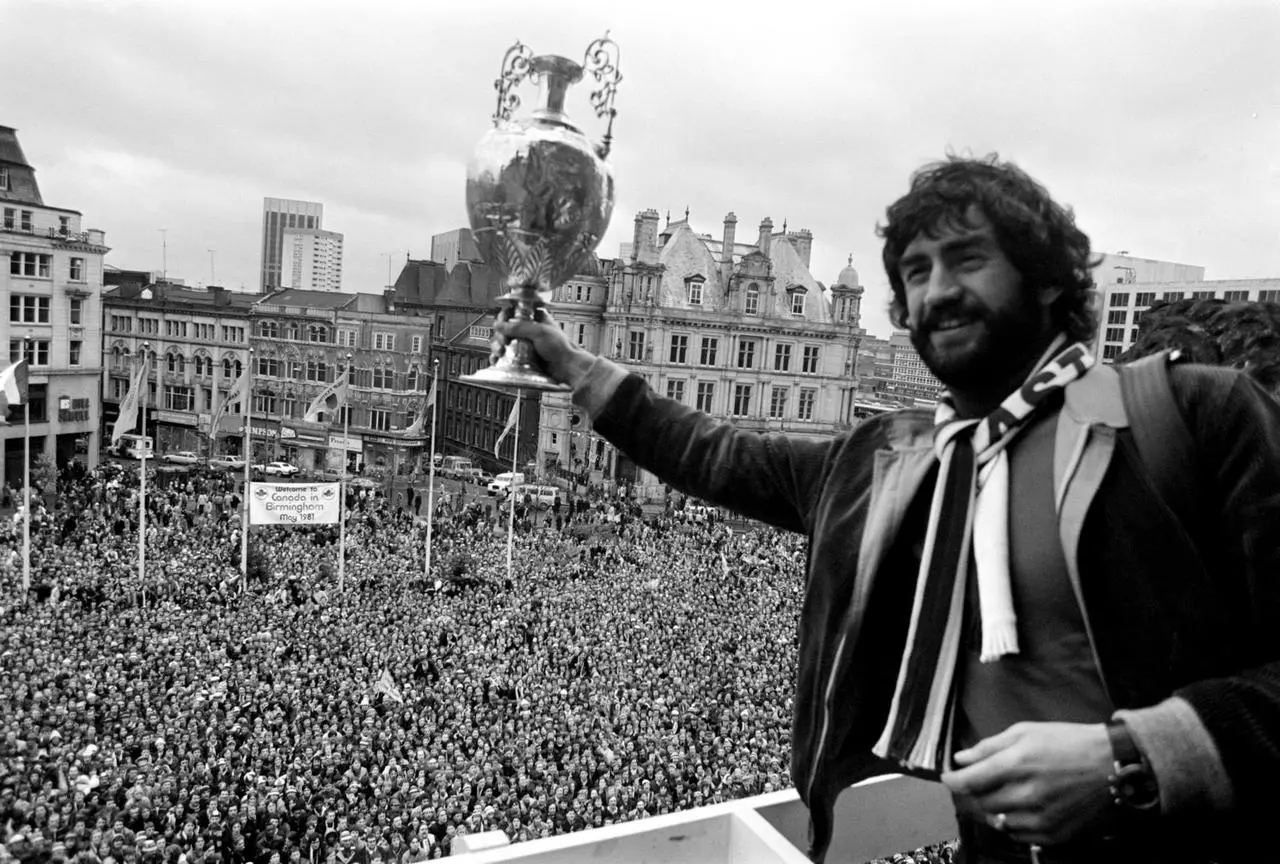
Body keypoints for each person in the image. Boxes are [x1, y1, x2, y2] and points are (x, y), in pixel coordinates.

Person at [493, 154, 1280, 863]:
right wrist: (572, 362)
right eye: (915, 271)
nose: (937, 289)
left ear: (1048, 278)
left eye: (968, 258)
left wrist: (1131, 756)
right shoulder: (896, 465)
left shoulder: (1193, 419)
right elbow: (718, 455)